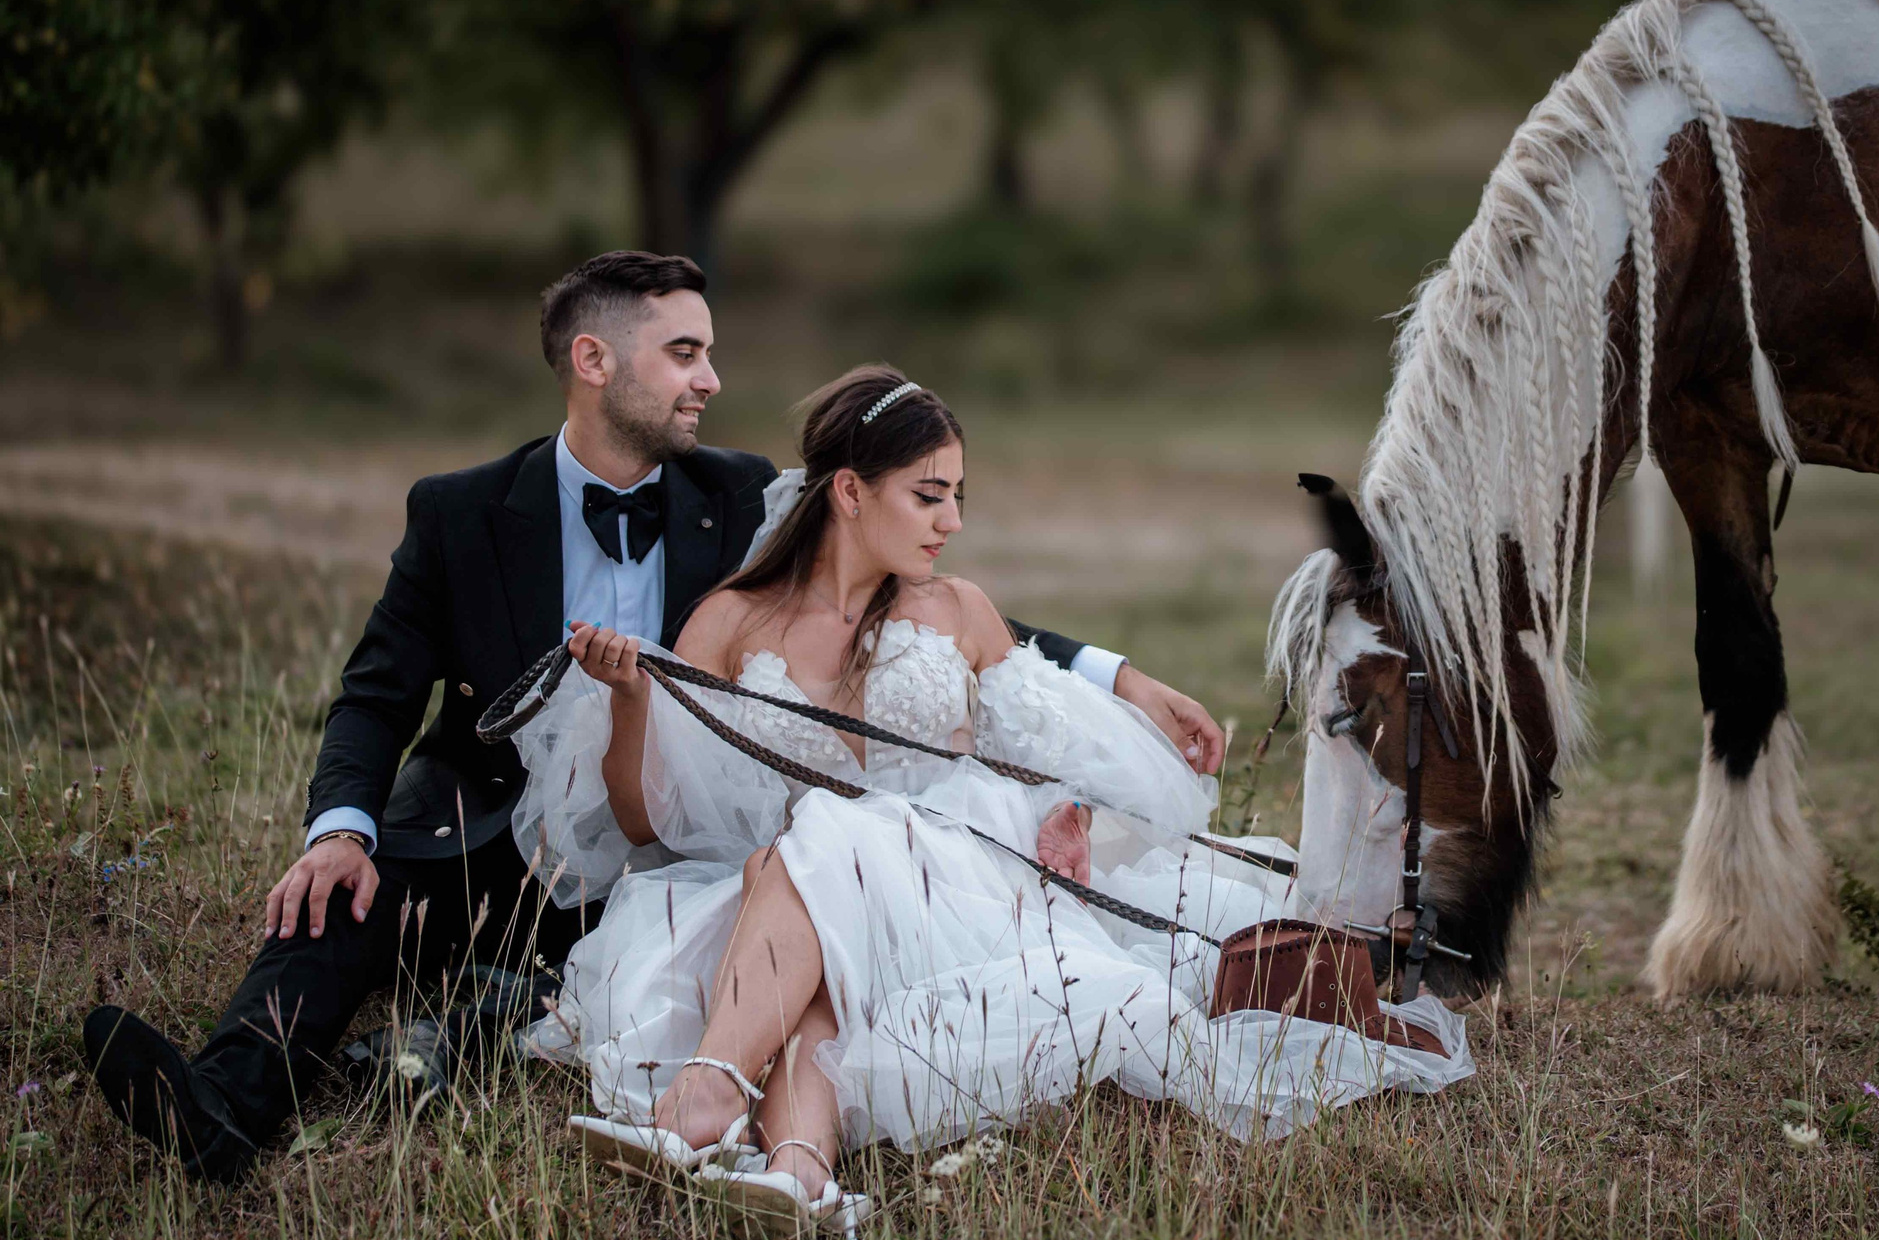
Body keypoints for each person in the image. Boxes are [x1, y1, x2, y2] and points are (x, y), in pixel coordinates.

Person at [79, 251, 1225, 1182]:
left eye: (710, 353)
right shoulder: (460, 513)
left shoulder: (735, 495)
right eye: (684, 351)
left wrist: (1117, 675)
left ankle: (458, 1040)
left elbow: (924, 592)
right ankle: (221, 1107)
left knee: (623, 981)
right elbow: (378, 690)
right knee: (343, 888)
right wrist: (340, 819)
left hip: (659, 858)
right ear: (594, 359)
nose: (709, 378)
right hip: (490, 838)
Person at [521, 367, 1468, 1234]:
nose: (951, 522)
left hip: (959, 890)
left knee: (819, 849)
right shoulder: (730, 621)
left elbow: (1079, 756)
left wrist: (1076, 813)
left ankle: (704, 1096)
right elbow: (648, 821)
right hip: (799, 901)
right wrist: (633, 696)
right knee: (814, 890)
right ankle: (802, 1174)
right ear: (849, 491)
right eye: (928, 495)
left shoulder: (957, 611)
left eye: (957, 497)